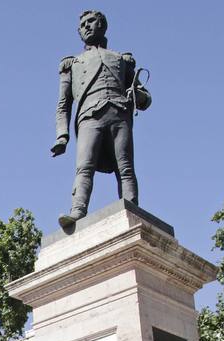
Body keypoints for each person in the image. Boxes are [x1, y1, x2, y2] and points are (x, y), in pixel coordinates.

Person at [50, 9, 150, 228]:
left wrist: (138, 95)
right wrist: (62, 135)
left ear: (102, 25)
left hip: (119, 113)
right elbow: (63, 103)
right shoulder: (72, 64)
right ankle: (77, 211)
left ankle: (132, 208)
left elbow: (144, 98)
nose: (86, 26)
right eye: (82, 24)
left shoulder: (122, 60)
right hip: (89, 117)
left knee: (125, 167)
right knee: (84, 167)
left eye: (91, 21)